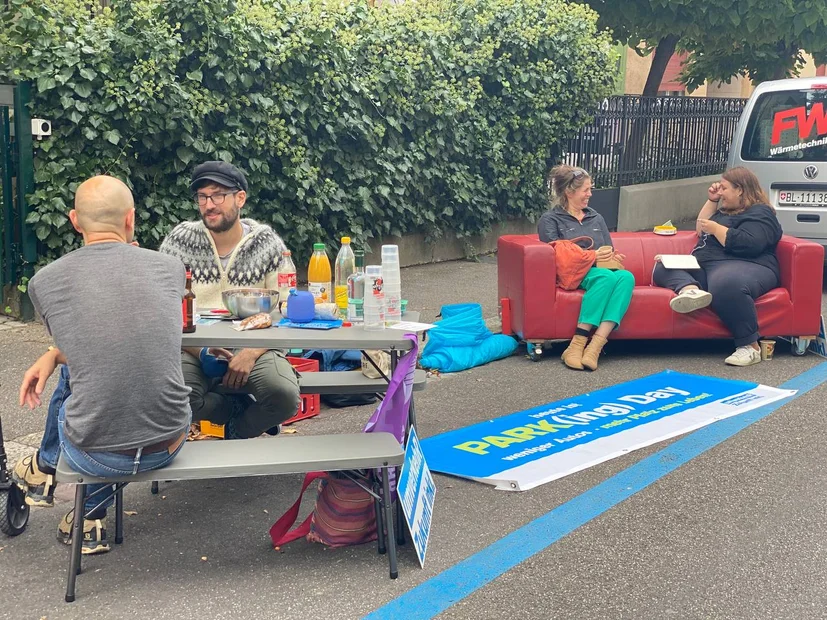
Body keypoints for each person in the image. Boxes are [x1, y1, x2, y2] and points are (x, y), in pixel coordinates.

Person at [13, 175, 191, 555]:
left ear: (75, 220)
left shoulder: (44, 282)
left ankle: (46, 468)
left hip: (95, 455)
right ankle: (87, 512)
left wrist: (50, 353)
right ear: (131, 219)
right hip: (170, 440)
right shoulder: (171, 268)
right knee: (100, 387)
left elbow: (81, 346)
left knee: (75, 380)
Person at [159, 161, 300, 438]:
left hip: (257, 343)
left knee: (284, 396)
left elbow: (287, 308)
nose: (209, 204)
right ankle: (232, 408)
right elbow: (161, 306)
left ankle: (237, 430)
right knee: (174, 399)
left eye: (218, 195)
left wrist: (251, 351)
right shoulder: (179, 241)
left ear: (240, 198)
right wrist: (199, 350)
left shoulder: (267, 243)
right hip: (193, 346)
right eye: (202, 197)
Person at [652, 166, 783, 366]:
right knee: (663, 266)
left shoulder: (761, 213)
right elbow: (700, 228)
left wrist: (717, 229)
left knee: (727, 284)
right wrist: (712, 200)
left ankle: (750, 347)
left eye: (724, 189)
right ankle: (691, 291)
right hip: (709, 266)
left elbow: (751, 244)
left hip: (748, 265)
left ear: (740, 190)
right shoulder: (725, 211)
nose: (721, 193)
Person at [538, 165, 635, 370]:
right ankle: (577, 343)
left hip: (599, 270)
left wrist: (612, 256)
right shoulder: (550, 219)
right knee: (606, 278)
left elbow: (607, 248)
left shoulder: (596, 217)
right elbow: (554, 254)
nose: (590, 194)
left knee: (626, 277)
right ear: (569, 192)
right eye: (586, 190)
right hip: (572, 274)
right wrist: (593, 256)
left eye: (590, 189)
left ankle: (595, 346)